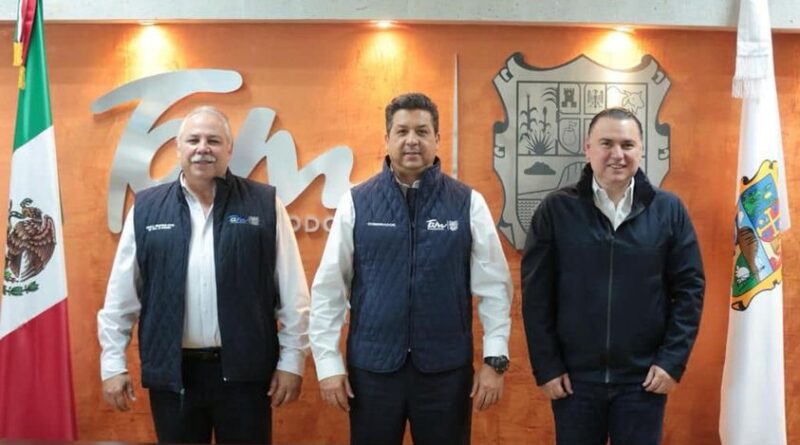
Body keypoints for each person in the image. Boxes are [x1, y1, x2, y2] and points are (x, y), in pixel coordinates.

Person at [97, 106, 310, 444]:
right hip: (174, 375)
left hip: (245, 375)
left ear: (229, 149)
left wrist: (292, 361)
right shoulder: (147, 209)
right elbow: (121, 298)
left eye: (213, 140)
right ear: (178, 148)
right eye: (193, 140)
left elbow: (294, 294)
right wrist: (112, 363)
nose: (203, 148)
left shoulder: (265, 205)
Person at [309, 92, 513, 445]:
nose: (412, 140)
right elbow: (329, 289)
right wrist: (327, 364)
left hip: (445, 373)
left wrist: (495, 360)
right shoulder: (356, 202)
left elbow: (495, 288)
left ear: (437, 138)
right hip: (372, 373)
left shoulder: (468, 203)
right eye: (402, 131)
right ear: (387, 139)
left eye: (422, 131)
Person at [521, 107, 705, 445]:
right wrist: (547, 366)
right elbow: (536, 296)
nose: (617, 154)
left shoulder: (669, 210)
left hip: (644, 381)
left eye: (627, 144)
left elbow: (689, 290)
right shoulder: (556, 210)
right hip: (574, 382)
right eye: (606, 143)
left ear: (641, 150)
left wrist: (671, 362)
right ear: (588, 148)